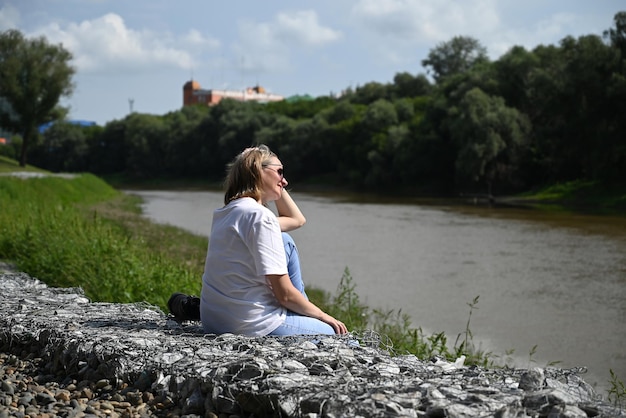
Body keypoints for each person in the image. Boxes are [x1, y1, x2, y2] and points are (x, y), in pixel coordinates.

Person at [169, 145, 347, 336]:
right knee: (340, 336)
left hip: (214, 321)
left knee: (285, 240)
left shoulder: (228, 212)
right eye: (280, 172)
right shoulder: (261, 217)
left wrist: (272, 180)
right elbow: (285, 295)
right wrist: (323, 316)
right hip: (247, 325)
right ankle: (305, 315)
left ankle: (301, 313)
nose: (285, 181)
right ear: (257, 171)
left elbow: (297, 220)